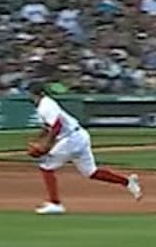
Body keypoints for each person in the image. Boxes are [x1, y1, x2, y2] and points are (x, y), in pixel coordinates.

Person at [26, 81, 142, 214]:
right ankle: (127, 182)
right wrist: (37, 139)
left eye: (30, 93)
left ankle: (55, 203)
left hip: (71, 139)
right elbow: (48, 127)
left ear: (36, 94)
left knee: (46, 166)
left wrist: (46, 144)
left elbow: (56, 126)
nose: (29, 96)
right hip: (79, 136)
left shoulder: (46, 105)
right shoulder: (44, 104)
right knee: (91, 172)